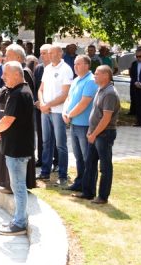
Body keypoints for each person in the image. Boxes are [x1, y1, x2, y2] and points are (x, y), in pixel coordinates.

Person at [0, 61, 35, 235]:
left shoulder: (18, 94)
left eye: (5, 74)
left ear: (17, 74)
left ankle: (20, 223)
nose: (2, 77)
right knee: (18, 186)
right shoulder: (21, 90)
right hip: (18, 147)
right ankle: (19, 218)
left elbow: (8, 120)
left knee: (18, 187)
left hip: (17, 149)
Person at [72, 65, 120, 204]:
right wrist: (90, 130)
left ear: (106, 75)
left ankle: (103, 196)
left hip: (104, 134)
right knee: (90, 163)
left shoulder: (110, 93)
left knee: (105, 167)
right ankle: (88, 192)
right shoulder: (100, 89)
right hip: (95, 132)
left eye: (97, 73)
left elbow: (106, 118)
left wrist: (94, 134)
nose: (94, 76)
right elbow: (96, 112)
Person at [0, 45, 36, 191]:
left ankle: (14, 191)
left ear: (18, 57)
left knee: (18, 183)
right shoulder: (14, 77)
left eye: (8, 56)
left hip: (18, 136)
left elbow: (8, 100)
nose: (5, 58)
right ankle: (9, 185)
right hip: (11, 129)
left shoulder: (23, 77)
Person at [62, 55, 98, 192]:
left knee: (87, 157)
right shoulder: (76, 80)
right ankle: (79, 183)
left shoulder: (91, 80)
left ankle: (88, 187)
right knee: (78, 157)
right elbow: (69, 98)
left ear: (86, 66)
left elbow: (84, 103)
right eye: (74, 64)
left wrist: (69, 115)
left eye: (78, 64)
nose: (75, 67)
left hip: (85, 125)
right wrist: (64, 112)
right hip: (74, 123)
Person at [37, 45, 73, 185]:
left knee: (60, 144)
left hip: (58, 112)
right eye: (48, 53)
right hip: (45, 111)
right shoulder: (47, 69)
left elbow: (65, 95)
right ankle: (45, 172)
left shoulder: (66, 69)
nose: (49, 55)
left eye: (52, 53)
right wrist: (42, 104)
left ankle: (63, 175)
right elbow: (40, 89)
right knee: (46, 143)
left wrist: (48, 105)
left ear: (60, 54)